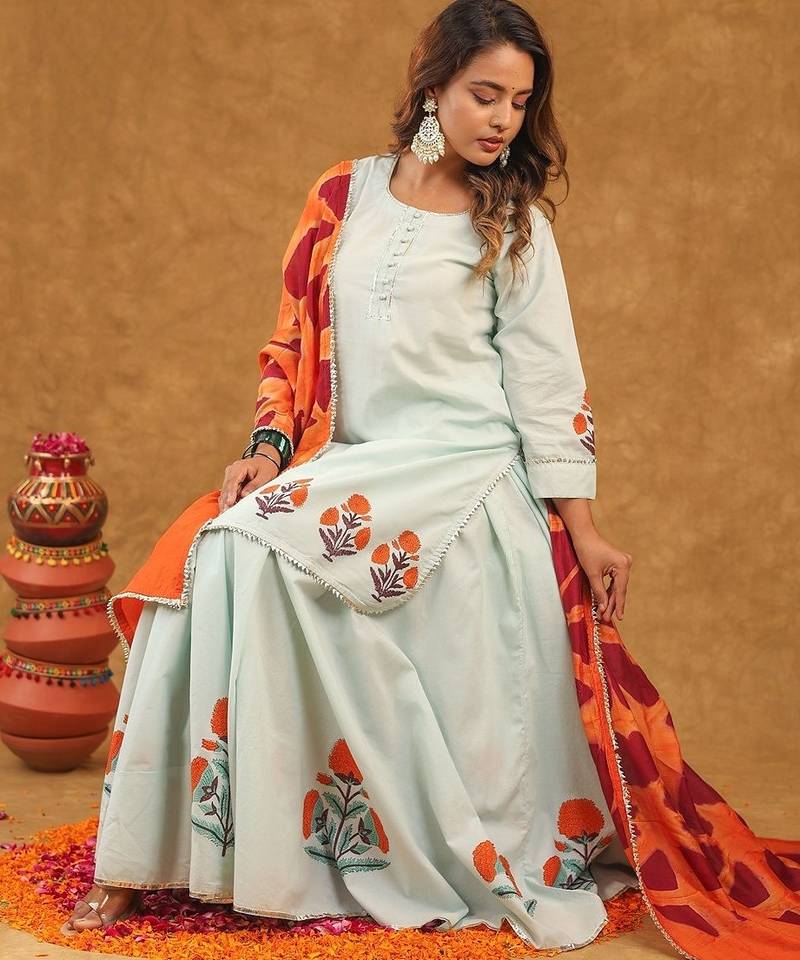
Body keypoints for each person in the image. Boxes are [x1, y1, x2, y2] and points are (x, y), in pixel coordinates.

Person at [60, 2, 800, 956]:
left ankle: (319, 858)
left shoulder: (516, 224)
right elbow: (289, 340)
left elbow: (547, 383)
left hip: (463, 469)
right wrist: (269, 448)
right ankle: (157, 854)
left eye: (520, 103)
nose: (503, 120)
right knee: (218, 548)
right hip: (350, 461)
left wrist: (584, 528)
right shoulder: (343, 195)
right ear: (434, 85)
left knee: (262, 554)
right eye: (485, 94)